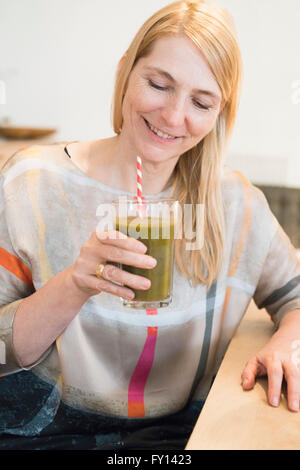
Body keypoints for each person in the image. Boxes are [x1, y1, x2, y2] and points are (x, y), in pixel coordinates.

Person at [0, 0, 300, 451]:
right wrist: (74, 286)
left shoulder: (235, 203)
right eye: (159, 84)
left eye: (201, 102)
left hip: (183, 440)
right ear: (125, 71)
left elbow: (295, 296)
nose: (174, 116)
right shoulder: (33, 184)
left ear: (220, 112)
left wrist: (287, 343)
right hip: (45, 435)